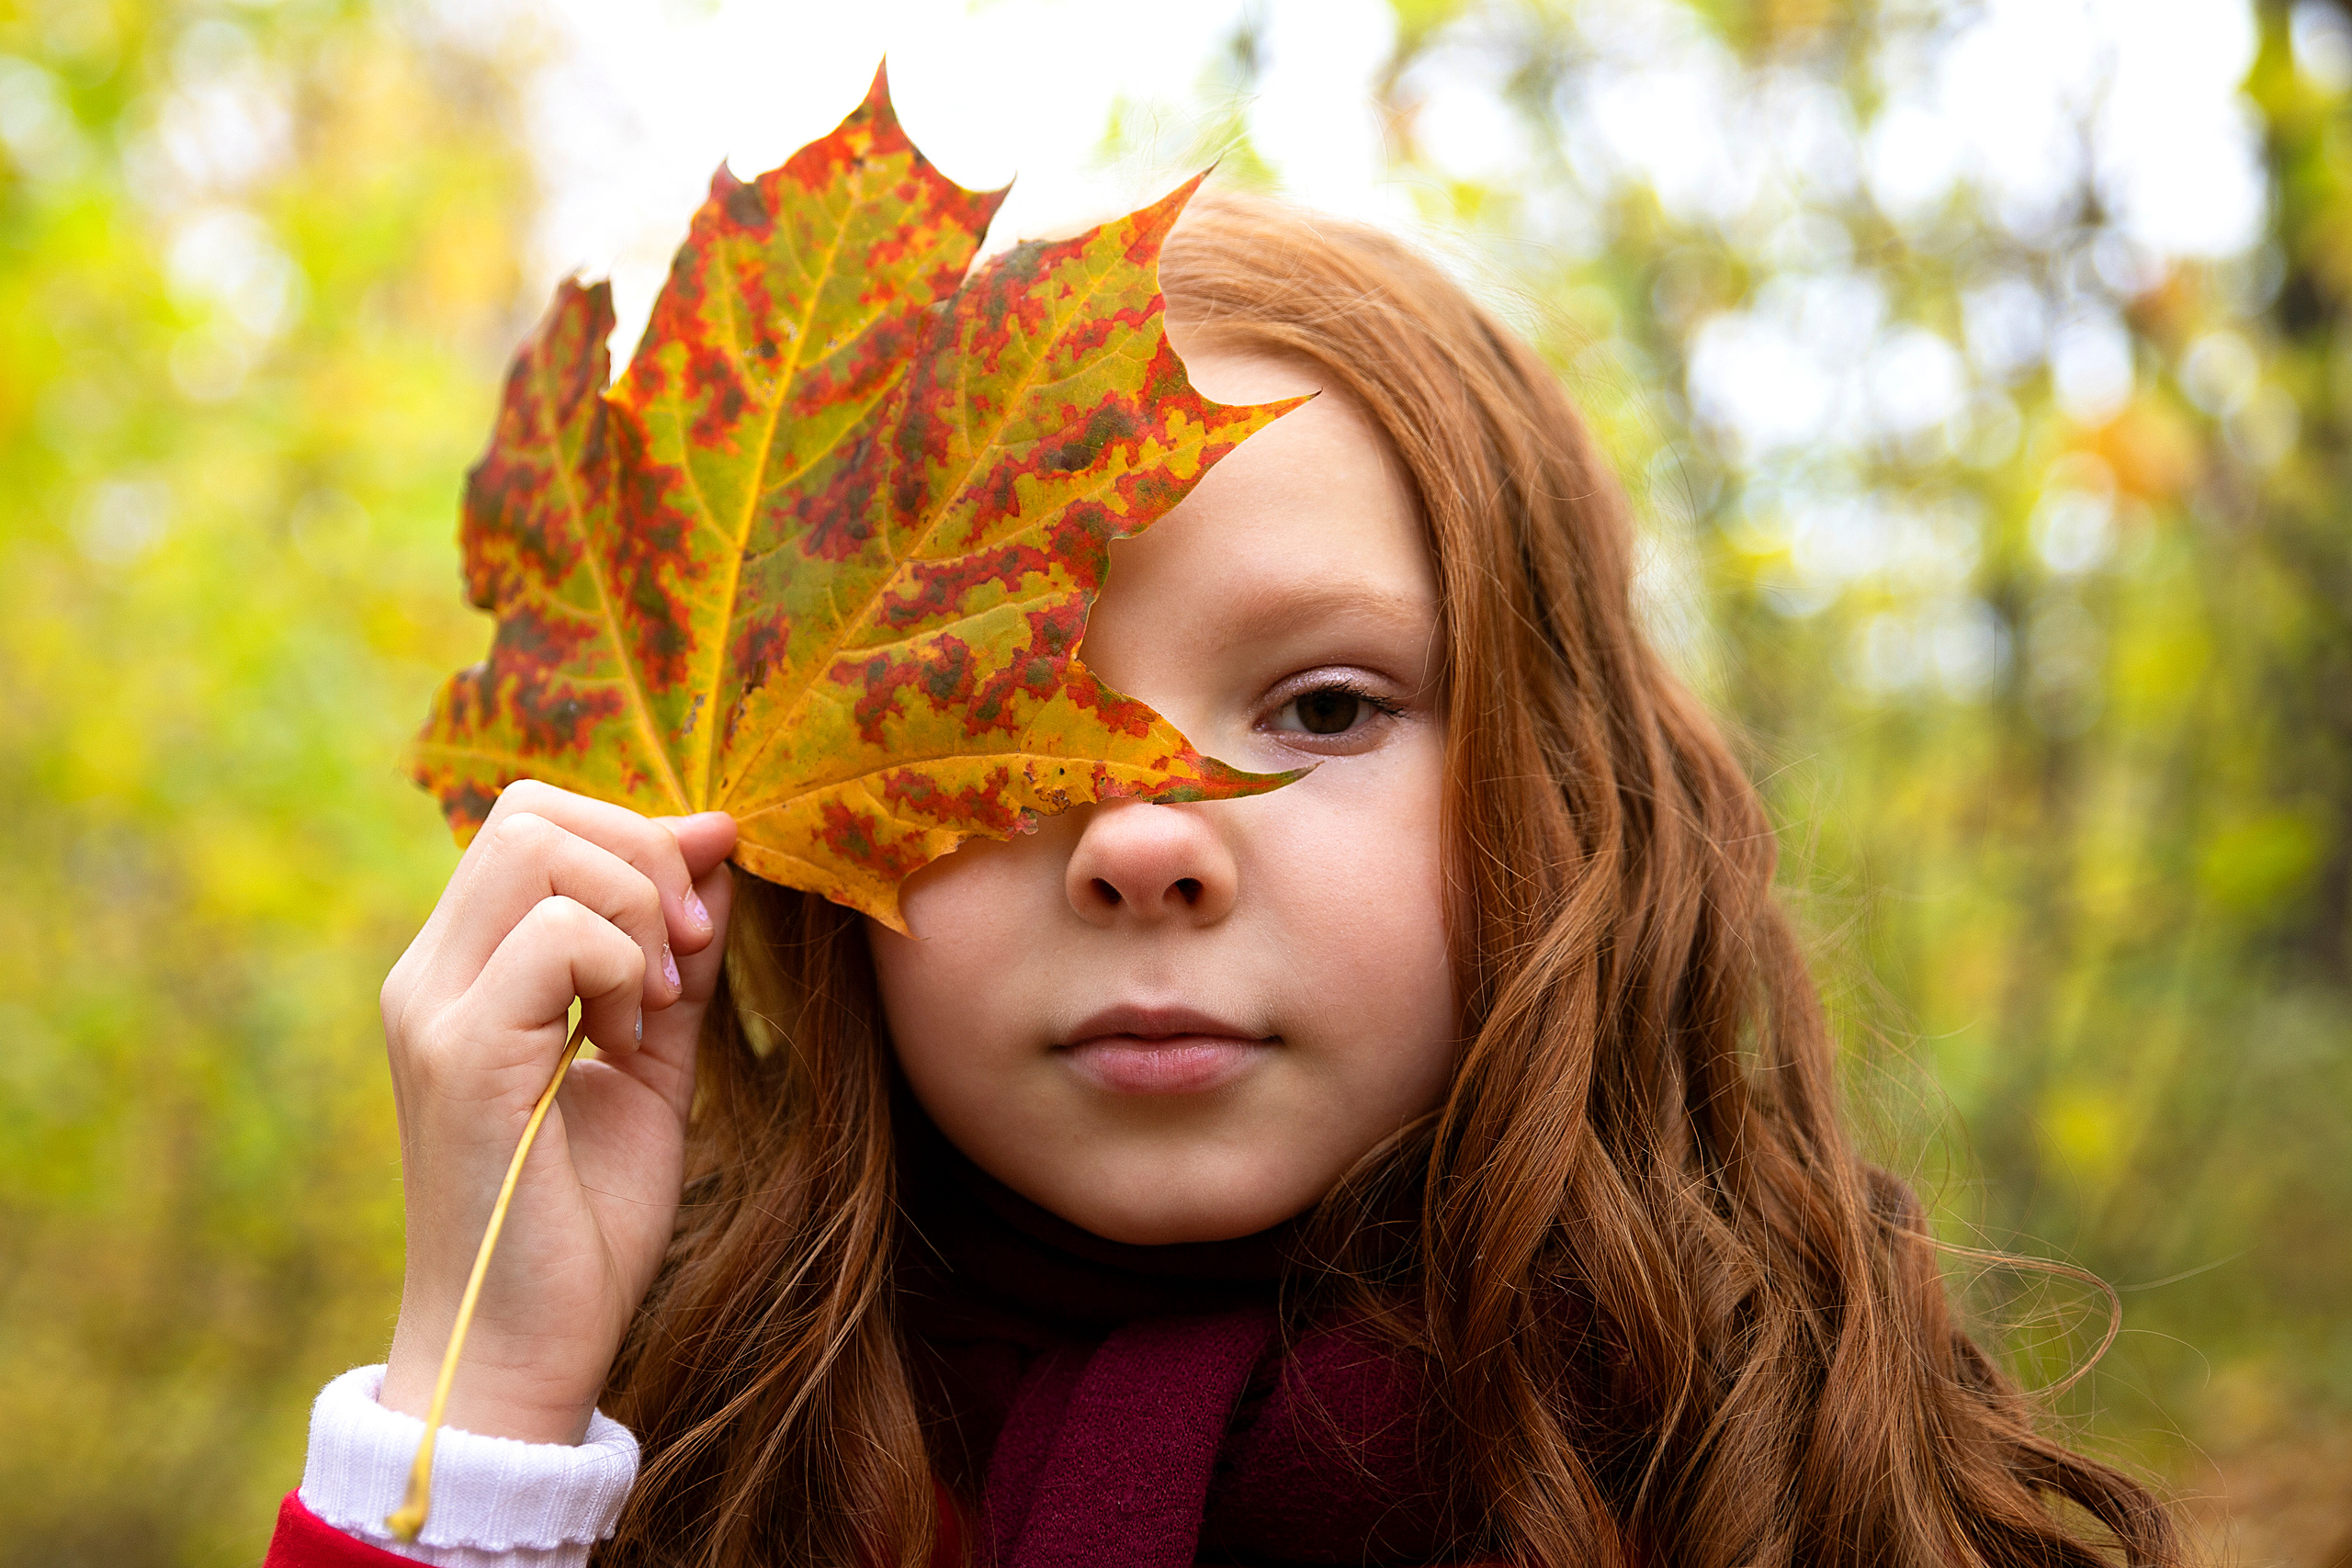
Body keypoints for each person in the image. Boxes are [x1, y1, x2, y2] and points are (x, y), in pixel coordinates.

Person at [265, 191, 2180, 1568]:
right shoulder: (677, 1467)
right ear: (809, 829)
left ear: (1562, 792)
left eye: (1324, 703)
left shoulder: (1801, 1460)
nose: (1144, 839)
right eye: (1007, 733)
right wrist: (487, 1407)